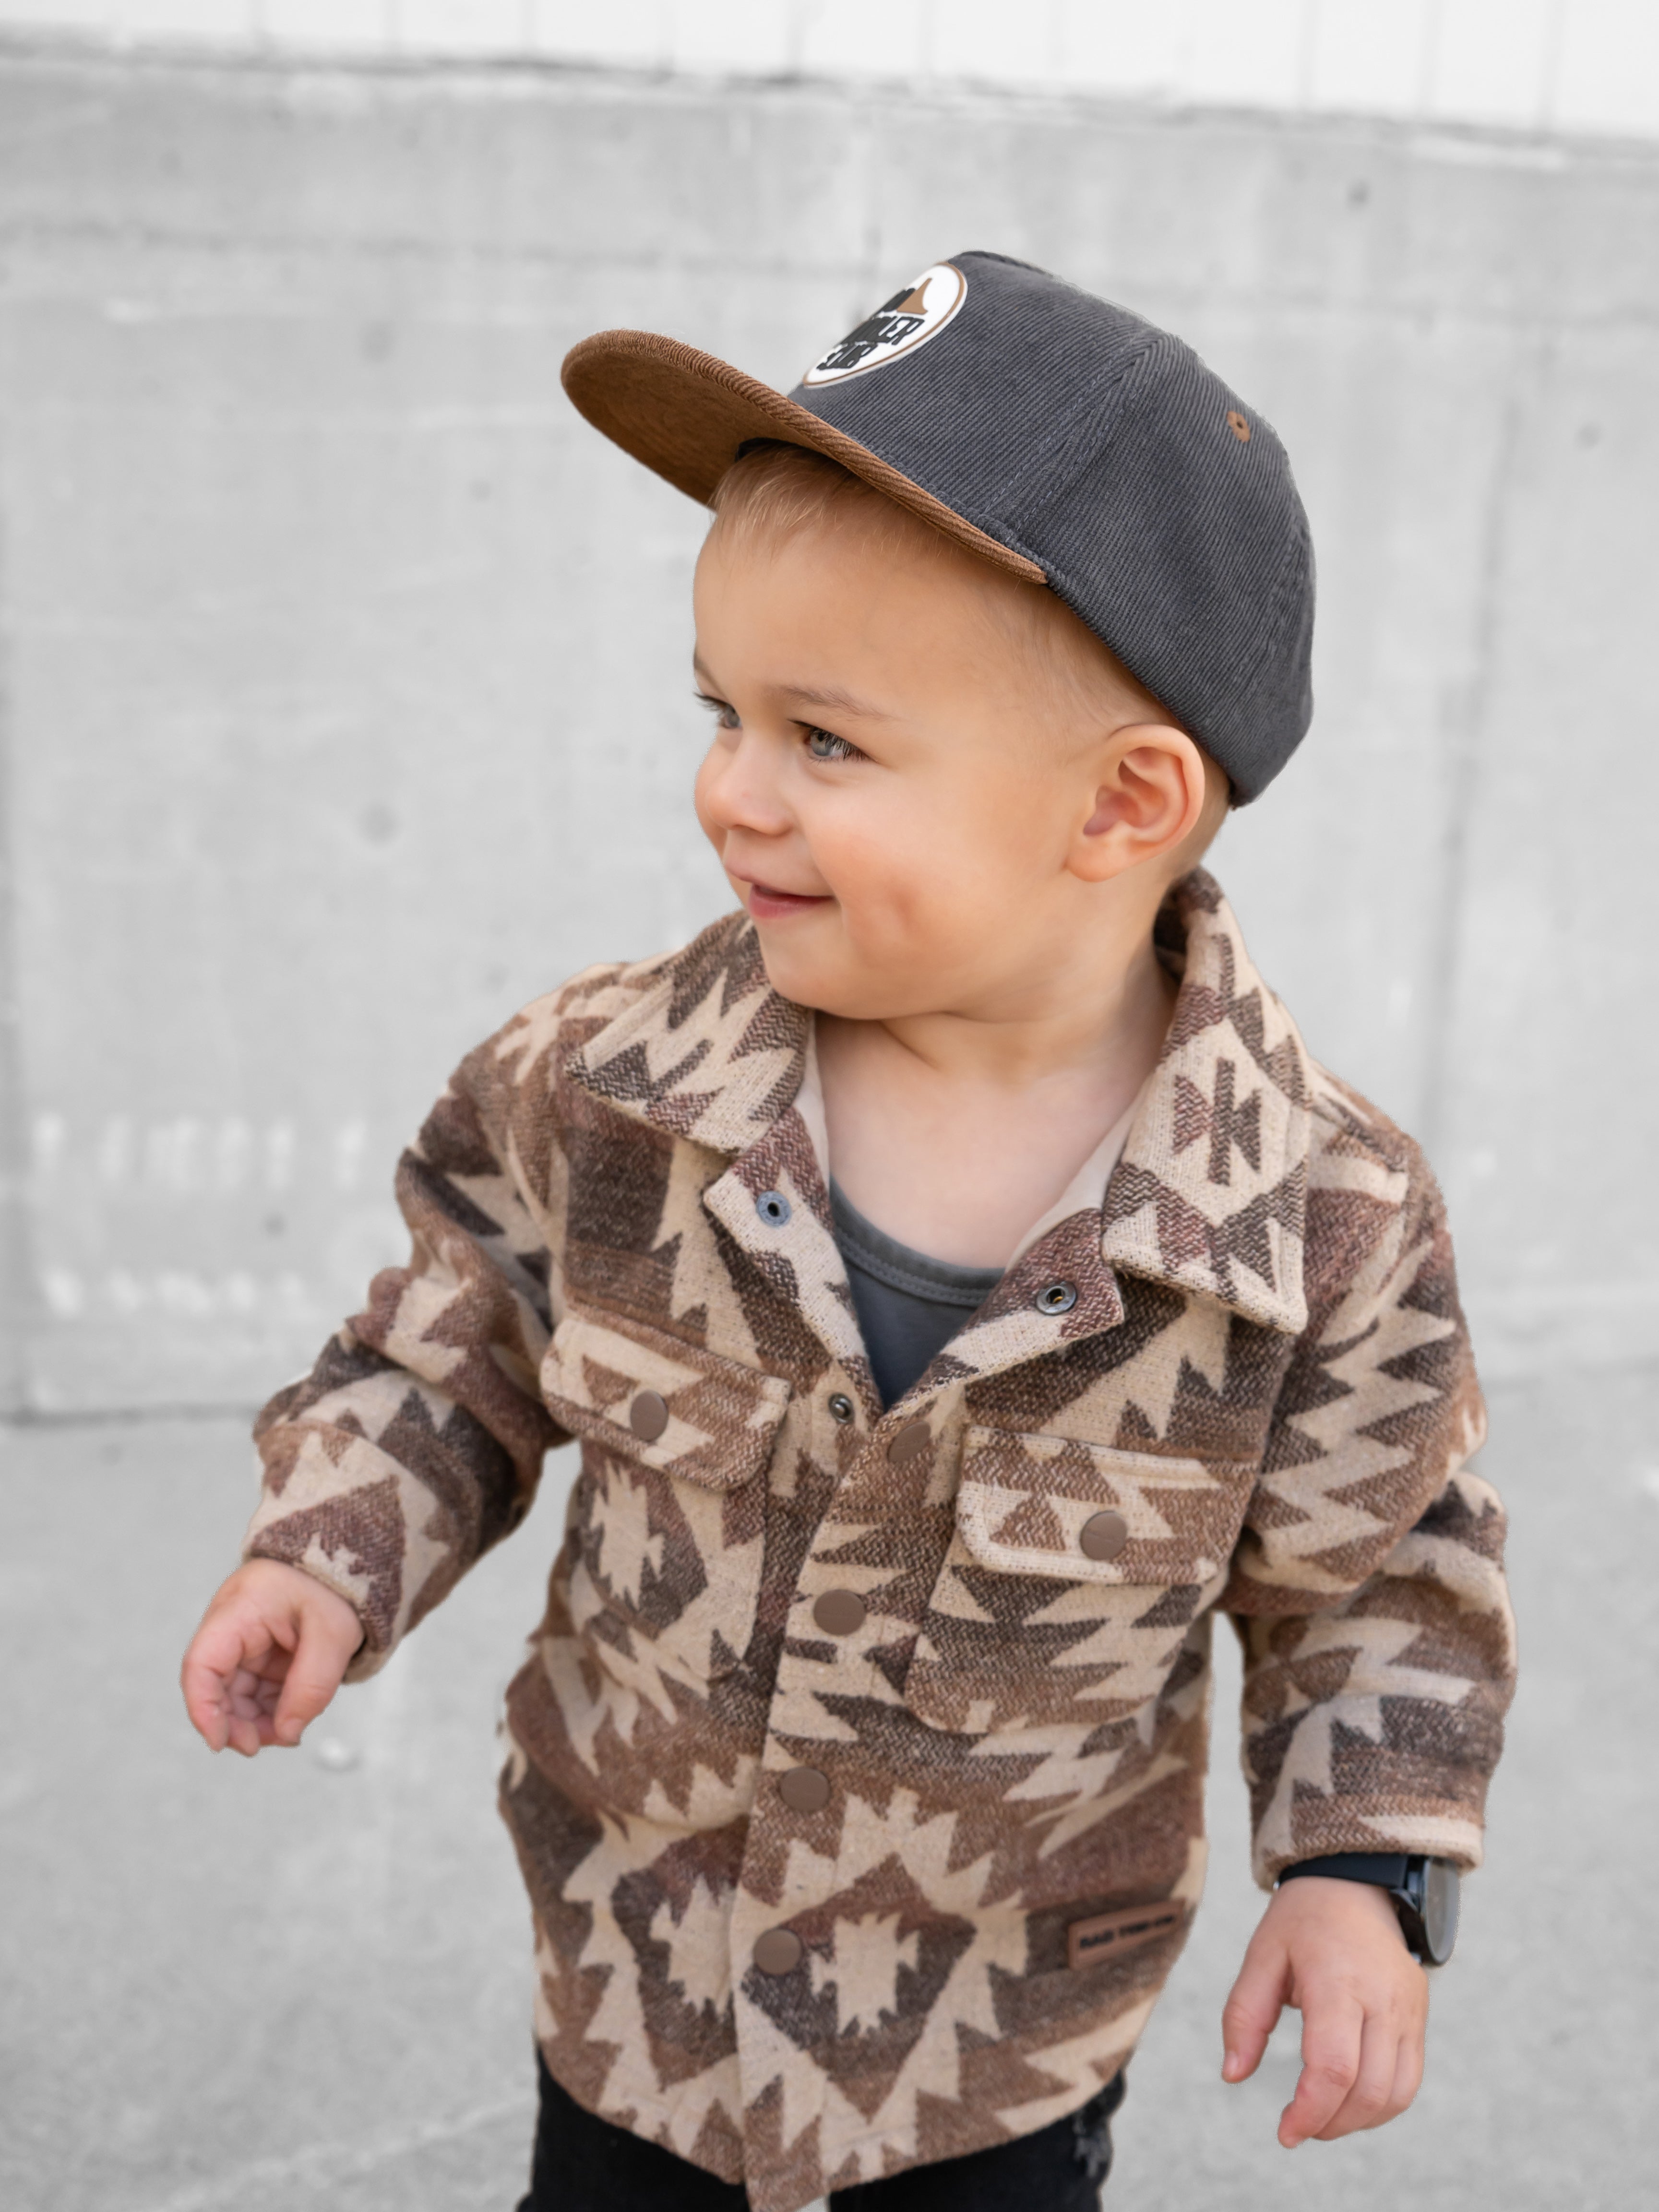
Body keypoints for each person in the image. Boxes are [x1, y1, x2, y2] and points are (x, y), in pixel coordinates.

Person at [179, 251, 1516, 2212]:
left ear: (1120, 804)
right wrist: (334, 1544)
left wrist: (1359, 1872)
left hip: (987, 2056)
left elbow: (1374, 1578)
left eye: (826, 740)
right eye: (721, 709)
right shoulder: (606, 1081)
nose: (728, 792)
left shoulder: (1316, 1219)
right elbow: (450, 1337)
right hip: (634, 1989)